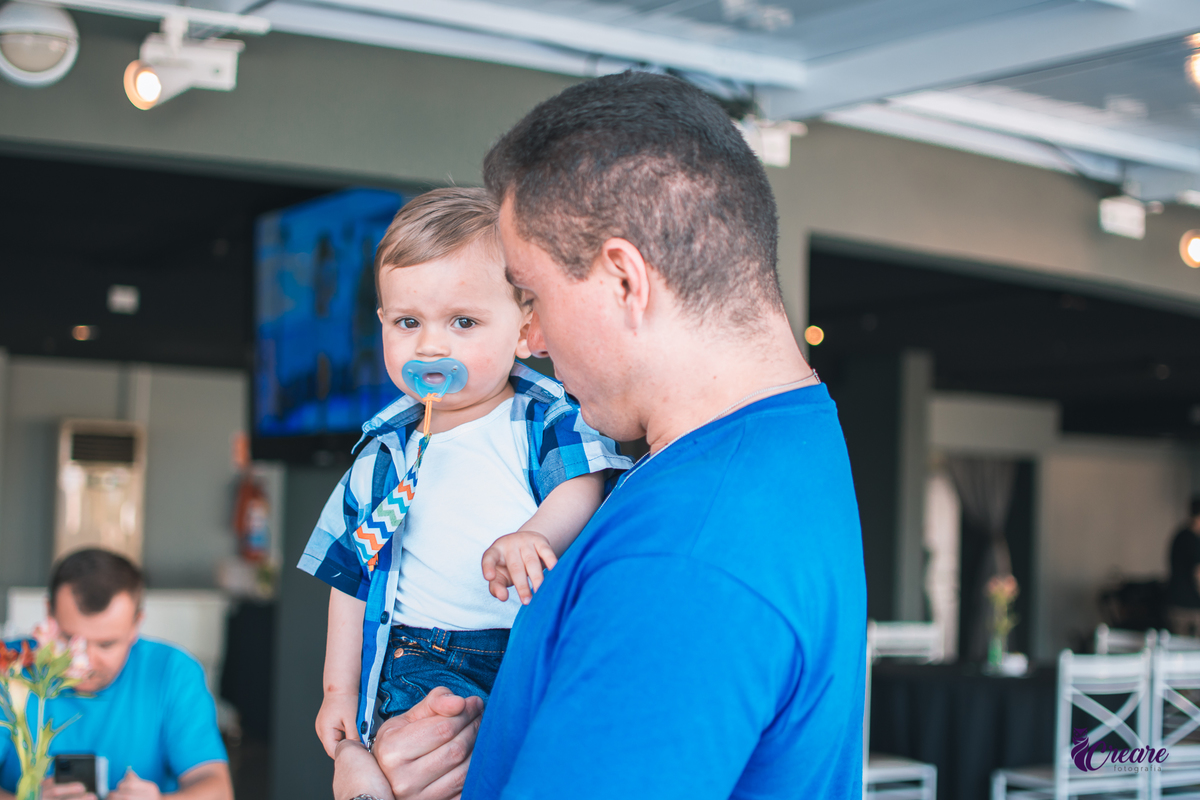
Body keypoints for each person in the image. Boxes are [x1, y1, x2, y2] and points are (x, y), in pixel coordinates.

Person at [350, 71, 867, 800]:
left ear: (625, 281)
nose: (529, 342)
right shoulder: (784, 442)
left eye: (531, 295)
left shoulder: (685, 554)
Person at [298, 188, 630, 784]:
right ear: (383, 325)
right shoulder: (380, 457)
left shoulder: (542, 419)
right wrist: (337, 689)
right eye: (407, 322)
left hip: (525, 648)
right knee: (424, 758)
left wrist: (533, 535)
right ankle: (362, 775)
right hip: (419, 658)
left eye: (463, 322)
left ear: (526, 328)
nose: (431, 345)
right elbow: (348, 576)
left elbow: (583, 483)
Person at [0, 548, 232, 800]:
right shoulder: (8, 665)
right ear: (49, 614)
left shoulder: (172, 672)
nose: (83, 661)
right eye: (68, 639)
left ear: (136, 624)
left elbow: (217, 788)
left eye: (106, 644)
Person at [1168, 495, 1200, 635]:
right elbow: (1198, 574)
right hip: (1189, 610)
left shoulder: (1180, 536)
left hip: (1175, 606)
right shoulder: (1192, 541)